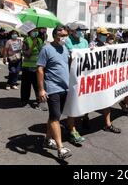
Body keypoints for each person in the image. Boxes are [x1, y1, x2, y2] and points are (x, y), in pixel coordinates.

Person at [37, 25, 72, 159]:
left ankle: (47, 139)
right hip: (52, 88)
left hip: (64, 88)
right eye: (61, 35)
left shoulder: (65, 48)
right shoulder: (46, 49)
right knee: (55, 117)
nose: (63, 38)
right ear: (54, 35)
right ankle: (60, 148)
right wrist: (41, 89)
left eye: (65, 35)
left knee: (54, 116)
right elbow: (40, 69)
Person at [88, 27, 122, 133]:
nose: (105, 36)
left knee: (106, 101)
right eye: (103, 34)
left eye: (106, 34)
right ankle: (85, 117)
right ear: (98, 35)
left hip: (105, 77)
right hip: (94, 77)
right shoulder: (92, 45)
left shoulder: (107, 46)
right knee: (88, 100)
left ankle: (108, 124)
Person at [64, 22, 88, 144]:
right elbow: (70, 56)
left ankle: (85, 116)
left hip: (84, 75)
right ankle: (72, 128)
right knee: (73, 101)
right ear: (72, 31)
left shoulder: (84, 41)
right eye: (78, 30)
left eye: (82, 30)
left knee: (85, 97)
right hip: (72, 75)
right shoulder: (67, 41)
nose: (80, 32)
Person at [21, 28, 45, 109]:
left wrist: (38, 45)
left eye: (36, 31)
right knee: (26, 85)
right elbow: (26, 54)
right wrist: (32, 46)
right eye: (33, 31)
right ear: (29, 32)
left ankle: (39, 101)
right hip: (27, 67)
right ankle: (25, 101)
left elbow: (42, 52)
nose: (35, 32)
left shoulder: (40, 40)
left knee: (38, 85)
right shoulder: (26, 40)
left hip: (37, 67)